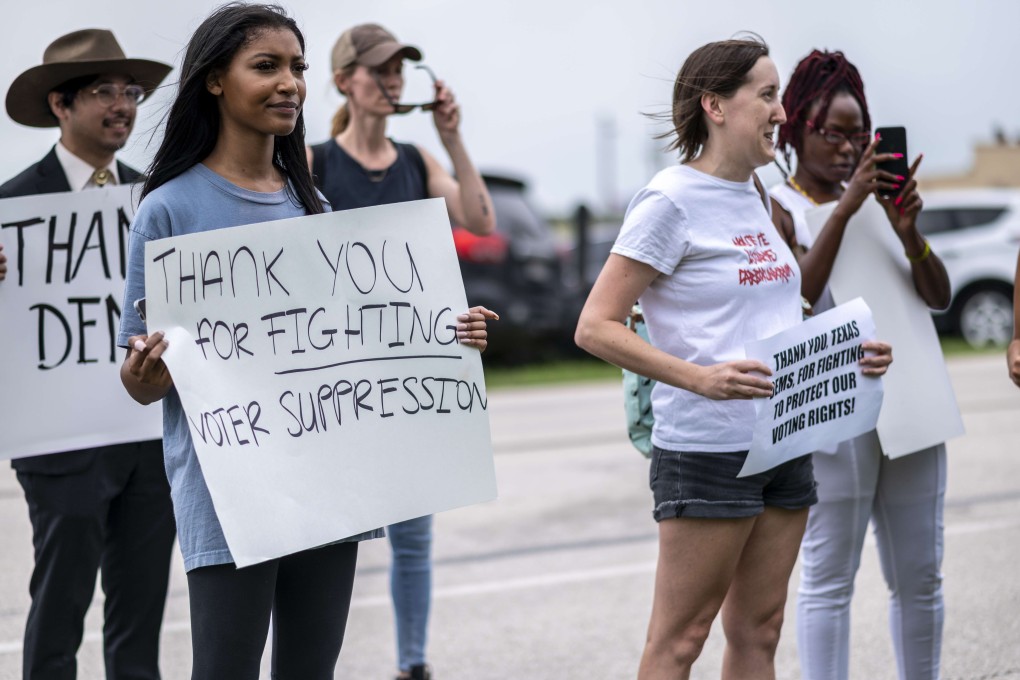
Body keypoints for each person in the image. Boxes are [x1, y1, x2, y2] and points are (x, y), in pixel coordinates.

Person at [576, 35, 891, 679]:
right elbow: (595, 326)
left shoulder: (756, 199)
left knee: (760, 631)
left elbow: (773, 317)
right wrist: (701, 378)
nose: (782, 114)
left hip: (784, 441)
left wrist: (842, 354)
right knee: (683, 638)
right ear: (715, 106)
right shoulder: (669, 200)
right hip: (706, 452)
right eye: (767, 96)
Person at [308, 22, 497, 680]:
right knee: (322, 541)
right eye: (379, 70)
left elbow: (479, 219)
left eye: (399, 70)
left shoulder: (418, 161)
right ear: (344, 81)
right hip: (336, 388)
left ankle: (412, 664)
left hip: (408, 388)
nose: (392, 80)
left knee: (413, 540)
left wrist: (453, 137)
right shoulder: (313, 164)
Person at [0, 28, 176, 680]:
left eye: (130, 91)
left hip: (150, 437)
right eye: (103, 90)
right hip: (60, 444)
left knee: (141, 611)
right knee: (61, 601)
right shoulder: (11, 208)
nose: (123, 104)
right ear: (59, 105)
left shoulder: (158, 202)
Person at [770, 50, 952, 680]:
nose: (849, 147)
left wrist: (910, 233)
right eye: (834, 133)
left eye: (859, 133)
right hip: (835, 411)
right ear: (796, 129)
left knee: (920, 575)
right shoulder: (778, 206)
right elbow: (795, 294)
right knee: (829, 579)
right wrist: (845, 207)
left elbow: (939, 295)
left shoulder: (884, 204)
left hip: (913, 399)